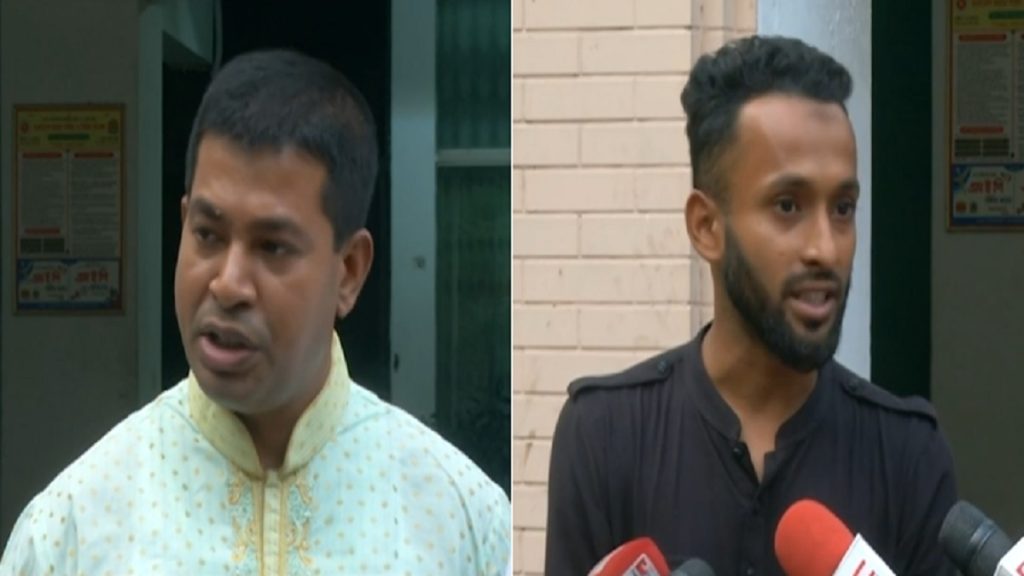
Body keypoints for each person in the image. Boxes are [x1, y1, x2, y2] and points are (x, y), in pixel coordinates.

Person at [0, 49, 509, 575]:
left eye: (273, 247)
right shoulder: (72, 529)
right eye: (207, 235)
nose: (227, 284)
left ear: (349, 272)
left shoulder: (462, 524)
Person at [544, 35, 957, 575]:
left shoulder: (908, 454)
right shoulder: (604, 436)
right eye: (788, 206)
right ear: (706, 227)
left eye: (843, 208)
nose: (826, 249)